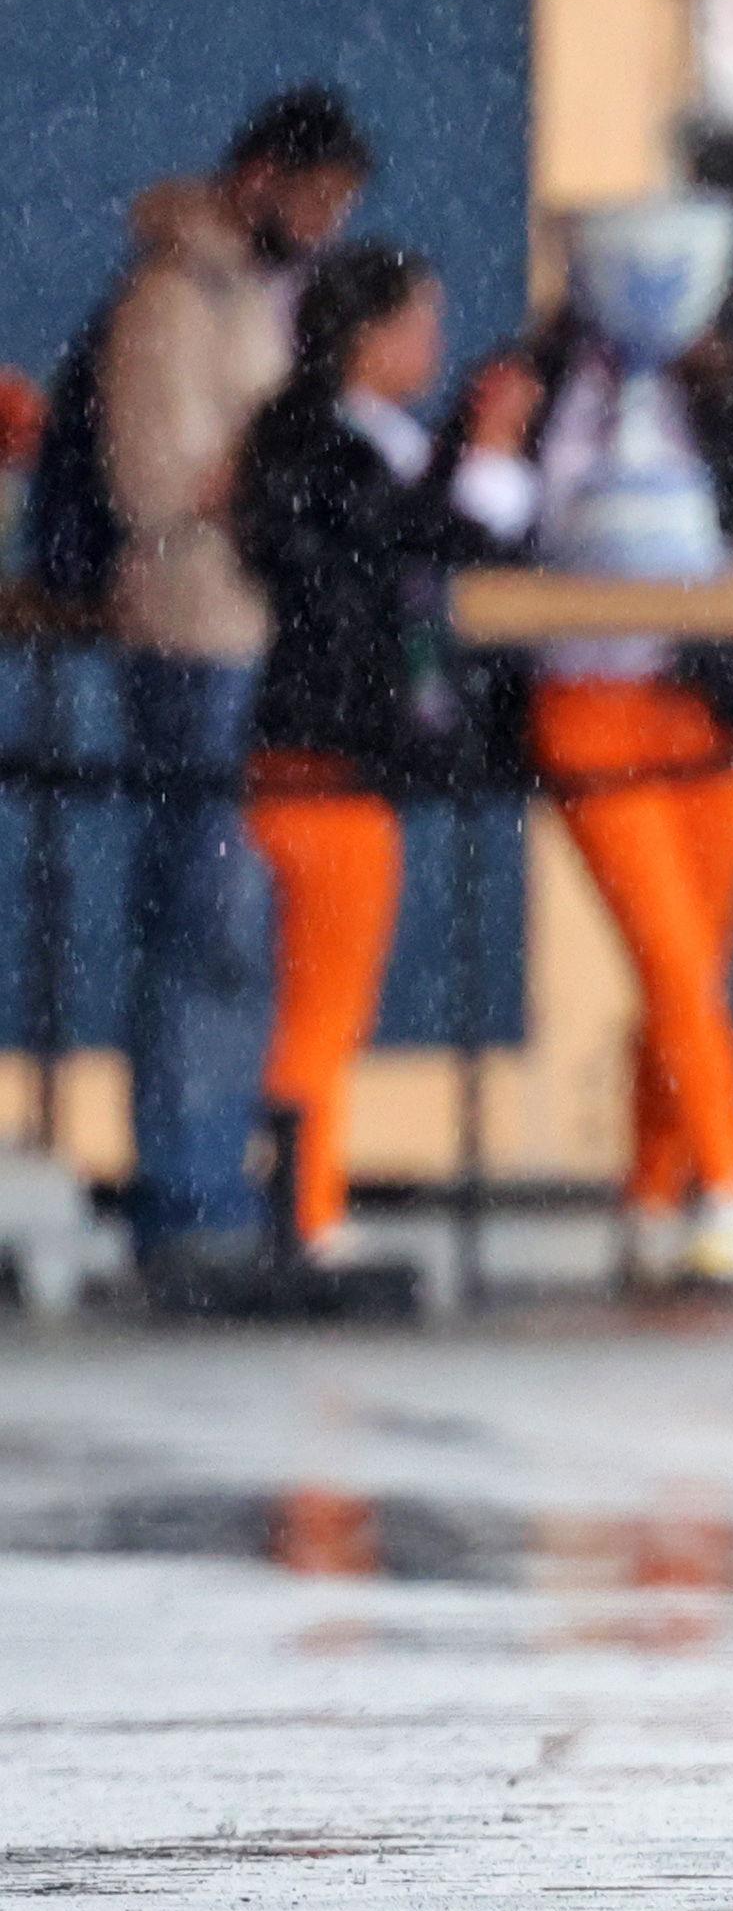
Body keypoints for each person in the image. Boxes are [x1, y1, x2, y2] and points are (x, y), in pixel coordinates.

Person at [76, 85, 377, 1288]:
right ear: (258, 177)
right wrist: (276, 471)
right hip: (190, 637)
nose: (322, 225)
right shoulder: (168, 301)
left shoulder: (249, 296)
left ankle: (211, 1181)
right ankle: (187, 1193)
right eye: (313, 199)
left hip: (246, 641)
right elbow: (151, 484)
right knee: (200, 923)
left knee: (230, 927)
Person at [502, 282, 733, 1293]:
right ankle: (732, 1181)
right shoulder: (542, 392)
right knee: (669, 957)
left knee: (690, 962)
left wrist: (732, 420)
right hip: (589, 697)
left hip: (711, 707)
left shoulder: (725, 393)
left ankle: (653, 1190)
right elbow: (485, 520)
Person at [229, 243, 538, 1263]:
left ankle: (298, 1197)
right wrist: (485, 447)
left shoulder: (344, 438)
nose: (432, 347)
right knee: (322, 1000)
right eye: (417, 325)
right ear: (367, 334)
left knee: (322, 996)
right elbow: (423, 535)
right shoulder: (318, 439)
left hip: (332, 750)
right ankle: (301, 1210)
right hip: (322, 755)